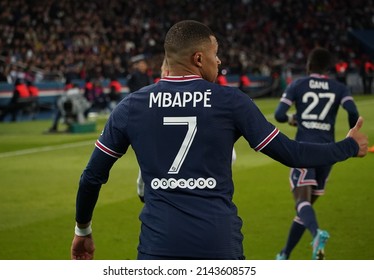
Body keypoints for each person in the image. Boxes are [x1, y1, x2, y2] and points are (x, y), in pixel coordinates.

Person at [71, 20, 368, 260]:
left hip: (158, 247)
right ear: (199, 58)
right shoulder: (230, 101)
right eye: (215, 54)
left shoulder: (131, 107)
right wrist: (349, 146)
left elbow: (91, 178)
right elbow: (292, 153)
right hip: (218, 244)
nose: (219, 60)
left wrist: (83, 230)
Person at [274, 47, 361, 260]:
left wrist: (293, 119)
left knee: (301, 203)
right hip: (328, 154)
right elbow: (352, 111)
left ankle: (316, 235)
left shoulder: (298, 85)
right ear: (328, 68)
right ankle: (285, 254)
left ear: (308, 66)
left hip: (304, 150)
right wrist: (352, 134)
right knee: (305, 210)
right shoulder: (339, 88)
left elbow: (279, 114)